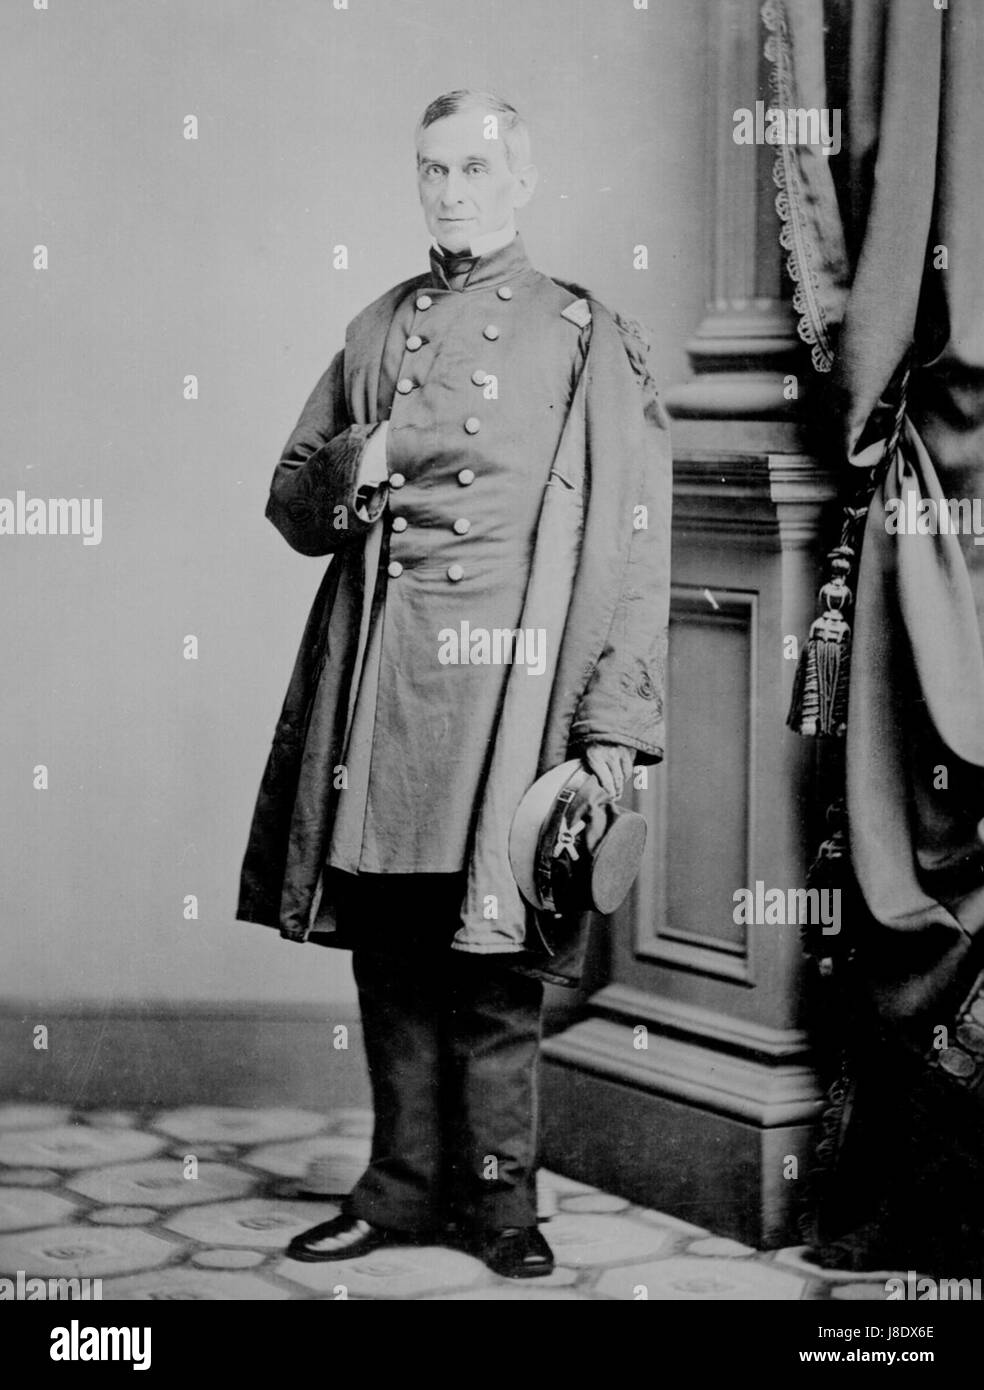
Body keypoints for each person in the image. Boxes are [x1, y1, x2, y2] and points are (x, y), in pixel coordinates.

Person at [236, 89, 671, 1278]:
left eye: (477, 168)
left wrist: (609, 728)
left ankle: (501, 1203)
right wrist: (357, 460)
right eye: (433, 170)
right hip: (386, 682)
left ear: (521, 182)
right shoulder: (376, 329)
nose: (452, 190)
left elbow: (633, 541)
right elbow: (288, 501)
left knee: (495, 964)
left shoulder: (585, 332)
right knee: (392, 953)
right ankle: (398, 1187)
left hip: (517, 693)